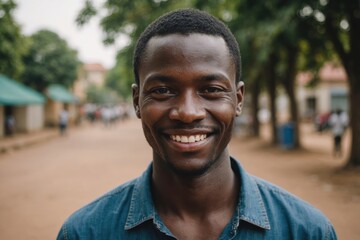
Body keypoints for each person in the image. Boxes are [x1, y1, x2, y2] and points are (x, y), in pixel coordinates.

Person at [57, 9, 337, 239]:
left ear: (238, 99)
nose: (188, 113)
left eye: (212, 89)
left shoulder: (306, 232)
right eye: (163, 91)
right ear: (136, 100)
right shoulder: (86, 233)